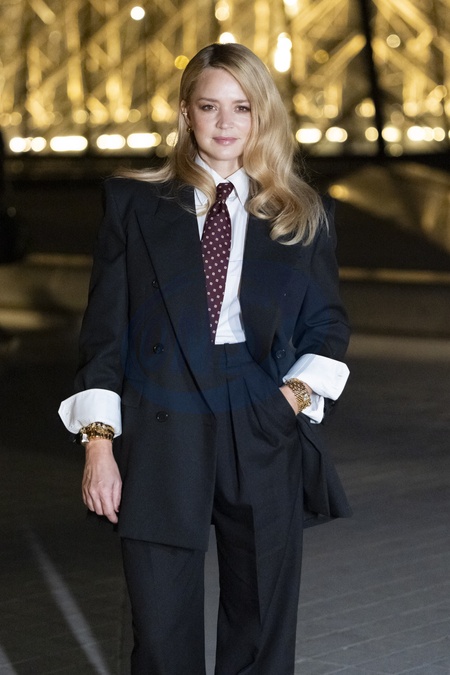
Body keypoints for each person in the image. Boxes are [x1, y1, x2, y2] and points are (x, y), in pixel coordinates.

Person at [59, 42, 352, 675]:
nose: (225, 123)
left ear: (262, 115)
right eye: (209, 106)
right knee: (160, 631)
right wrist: (99, 444)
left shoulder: (302, 211)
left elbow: (327, 325)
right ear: (185, 113)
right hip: (161, 416)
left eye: (242, 107)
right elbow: (103, 335)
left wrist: (292, 400)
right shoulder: (133, 204)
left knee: (261, 625)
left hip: (260, 415)